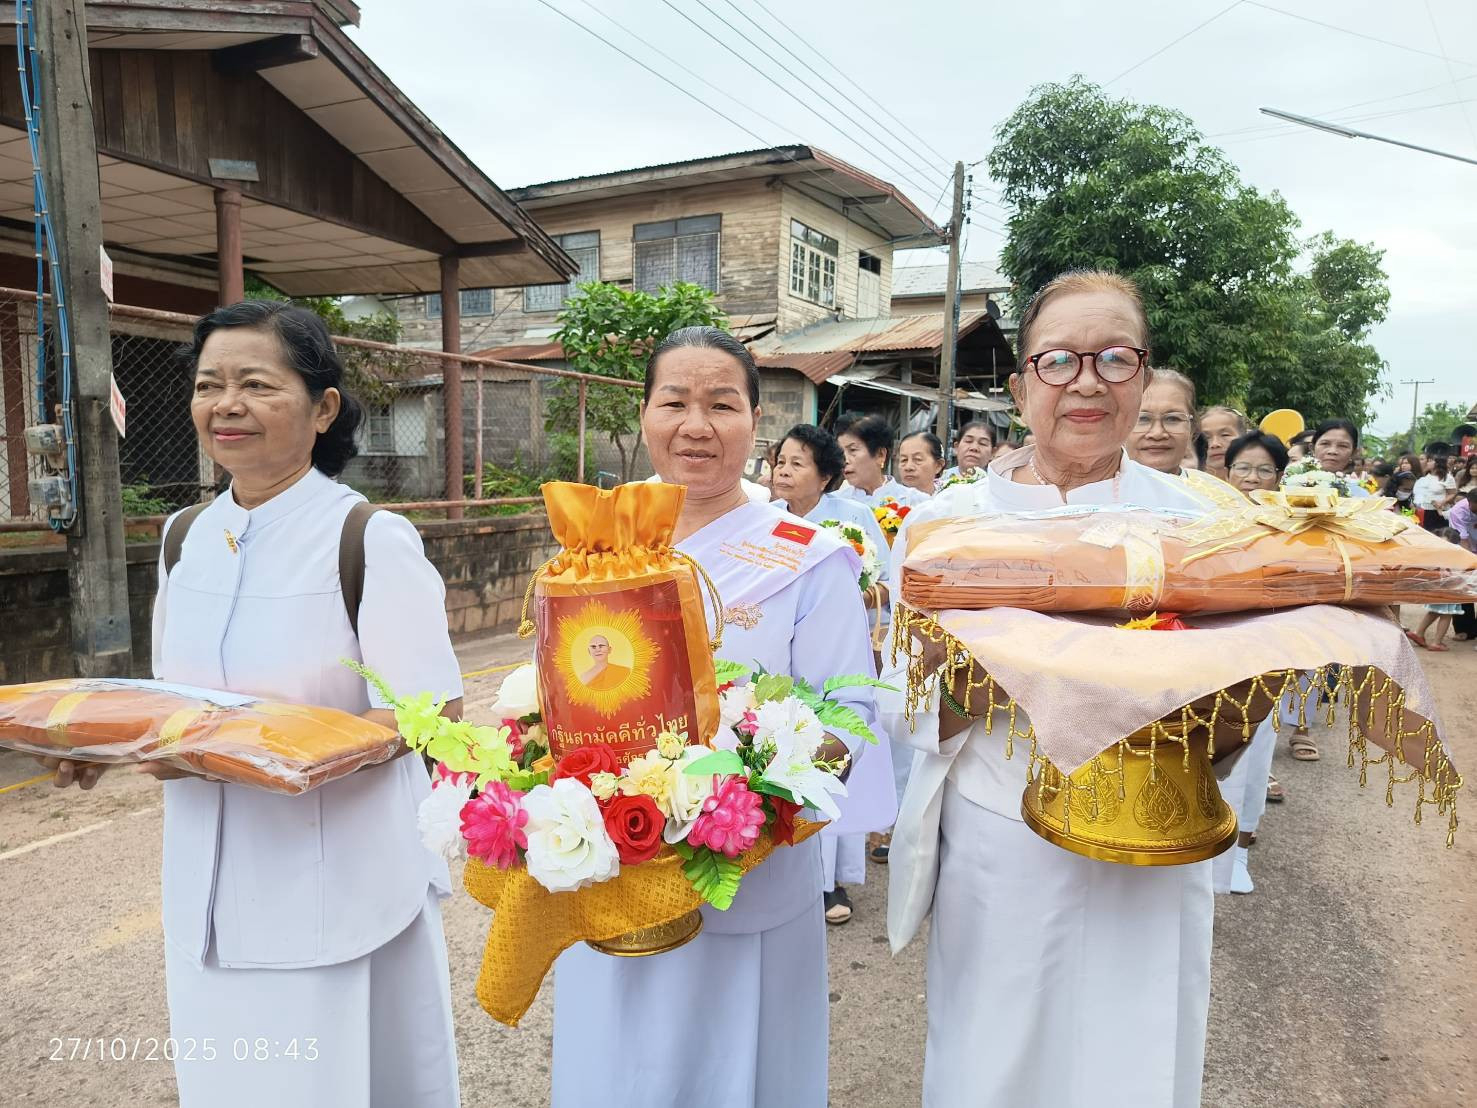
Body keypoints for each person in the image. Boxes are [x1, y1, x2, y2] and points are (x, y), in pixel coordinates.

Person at [45, 301, 464, 1107]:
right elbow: (176, 704)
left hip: (336, 884)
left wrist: (285, 751)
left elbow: (430, 711)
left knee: (335, 1081)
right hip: (206, 883)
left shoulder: (367, 537)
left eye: (254, 384)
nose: (225, 404)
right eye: (208, 385)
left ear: (323, 408)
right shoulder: (183, 536)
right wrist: (109, 746)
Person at [885, 270, 1220, 1107]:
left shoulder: (1199, 526)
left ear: (1141, 380)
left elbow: (1236, 705)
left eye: (1112, 358)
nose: (1085, 382)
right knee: (991, 1057)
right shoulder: (946, 525)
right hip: (1001, 835)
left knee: (1133, 1056)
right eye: (1058, 360)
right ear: (1019, 385)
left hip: (1153, 831)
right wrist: (1019, 660)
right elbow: (905, 701)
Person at [552, 327, 879, 1108]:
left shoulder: (807, 555)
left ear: (755, 423)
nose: (696, 425)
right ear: (644, 414)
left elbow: (851, 710)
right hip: (611, 874)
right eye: (675, 402)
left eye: (721, 404)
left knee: (741, 1075)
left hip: (747, 882)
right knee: (614, 1071)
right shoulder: (593, 552)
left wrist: (754, 797)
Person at [769, 422, 896, 925]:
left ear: (825, 476)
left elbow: (886, 581)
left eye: (797, 463)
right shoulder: (764, 520)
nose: (783, 470)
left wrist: (862, 593)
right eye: (780, 460)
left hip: (842, 652)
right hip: (784, 656)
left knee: (833, 750)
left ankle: (831, 881)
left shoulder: (853, 516)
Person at [1213, 431, 1293, 895]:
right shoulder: (1208, 514)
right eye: (1243, 468)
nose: (1251, 478)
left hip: (1264, 648)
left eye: (1264, 470)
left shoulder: (1290, 524)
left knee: (1255, 745)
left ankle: (1239, 848)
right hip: (1214, 647)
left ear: (1279, 477)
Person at [834, 413, 930, 508]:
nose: (844, 460)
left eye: (853, 450)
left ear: (880, 454)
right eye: (840, 452)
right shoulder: (834, 502)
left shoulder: (916, 502)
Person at [1126, 367, 1197, 474]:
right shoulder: (1098, 489)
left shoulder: (1214, 489)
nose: (1157, 434)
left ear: (1191, 429)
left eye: (1172, 418)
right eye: (1143, 419)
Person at [1407, 528, 1466, 651]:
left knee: (1434, 611)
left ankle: (1419, 633)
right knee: (1447, 614)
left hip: (1438, 587)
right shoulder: (1456, 553)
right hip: (1450, 589)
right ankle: (1437, 642)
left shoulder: (1438, 552)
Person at [1199, 405, 1247, 481]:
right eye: (1206, 438)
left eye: (1225, 435)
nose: (1215, 444)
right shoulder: (1189, 485)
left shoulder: (1256, 484)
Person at [897, 429, 946, 496]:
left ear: (938, 465)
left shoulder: (950, 498)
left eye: (918, 459)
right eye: (904, 460)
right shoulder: (888, 500)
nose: (908, 467)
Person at [1414, 456, 1453, 531]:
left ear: (1438, 463)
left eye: (1430, 461)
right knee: (1428, 533)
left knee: (1441, 534)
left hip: (1440, 511)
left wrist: (1442, 502)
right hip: (1426, 510)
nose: (1427, 463)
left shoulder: (1447, 477)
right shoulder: (1424, 477)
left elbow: (1452, 493)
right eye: (1428, 461)